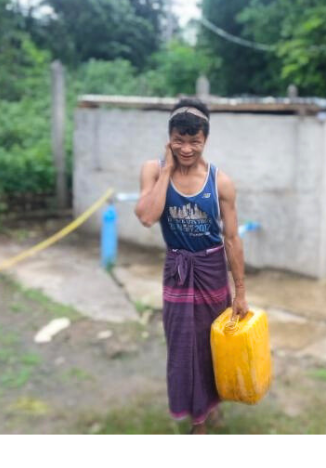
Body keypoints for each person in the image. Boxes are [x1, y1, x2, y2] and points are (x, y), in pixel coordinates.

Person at [134, 98, 249, 434]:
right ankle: (196, 416)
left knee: (213, 344)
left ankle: (209, 411)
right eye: (179, 141)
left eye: (194, 141)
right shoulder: (153, 170)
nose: (186, 149)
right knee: (182, 346)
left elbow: (232, 238)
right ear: (168, 138)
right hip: (177, 270)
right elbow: (146, 217)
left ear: (205, 140)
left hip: (212, 271)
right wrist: (167, 170)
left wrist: (240, 292)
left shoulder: (220, 182)